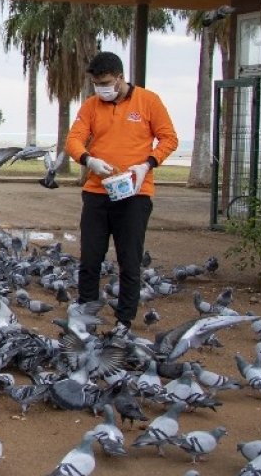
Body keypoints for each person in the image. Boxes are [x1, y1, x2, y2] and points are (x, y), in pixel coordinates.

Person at [66, 51, 179, 337]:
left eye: (105, 82)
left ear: (120, 78)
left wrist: (147, 164)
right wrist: (88, 159)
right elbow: (74, 139)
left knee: (130, 260)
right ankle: (87, 313)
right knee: (90, 257)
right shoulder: (92, 106)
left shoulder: (148, 101)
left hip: (135, 193)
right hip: (97, 192)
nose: (100, 88)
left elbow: (169, 138)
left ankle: (124, 320)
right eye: (96, 83)